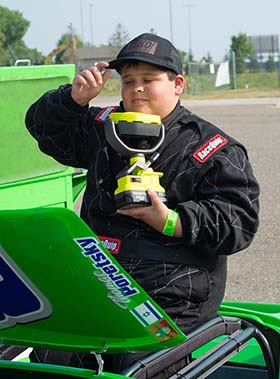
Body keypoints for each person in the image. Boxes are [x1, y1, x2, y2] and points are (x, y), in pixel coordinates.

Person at [25, 33, 260, 374]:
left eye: (149, 80)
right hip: (98, 279)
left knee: (139, 365)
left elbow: (239, 223)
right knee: (51, 358)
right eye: (129, 81)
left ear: (177, 84)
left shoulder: (212, 147)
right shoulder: (103, 126)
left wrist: (168, 220)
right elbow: (43, 130)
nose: (136, 89)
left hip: (173, 293)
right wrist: (71, 101)